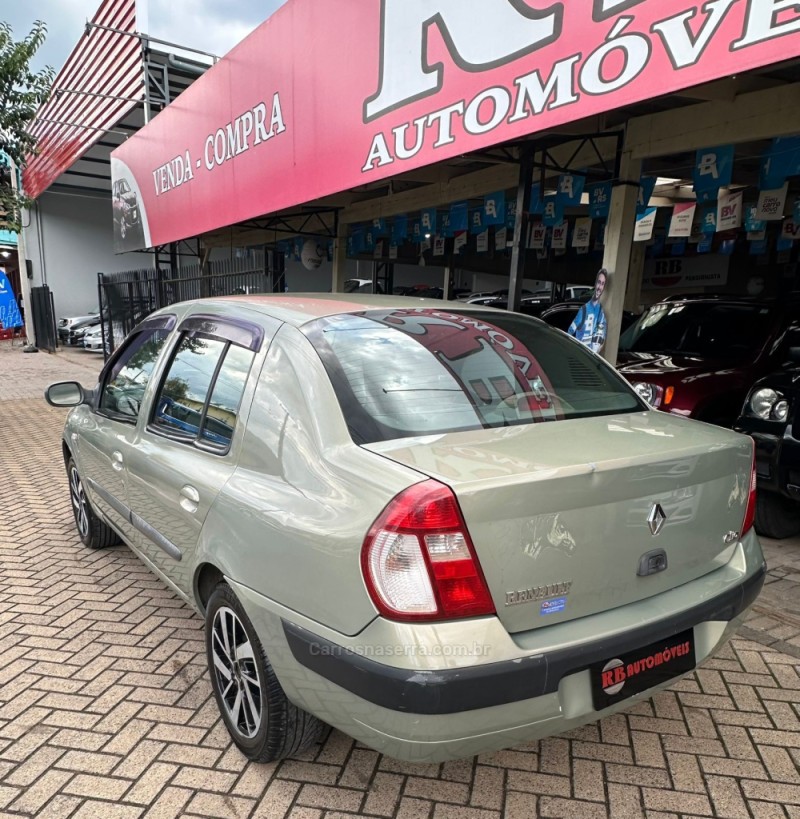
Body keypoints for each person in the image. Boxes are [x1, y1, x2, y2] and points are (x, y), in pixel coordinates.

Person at [568, 268, 607, 354]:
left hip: (591, 358)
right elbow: (569, 332)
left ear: (604, 287)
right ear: (595, 283)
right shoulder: (584, 310)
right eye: (599, 282)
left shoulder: (601, 313)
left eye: (602, 284)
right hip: (579, 355)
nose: (599, 287)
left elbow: (602, 338)